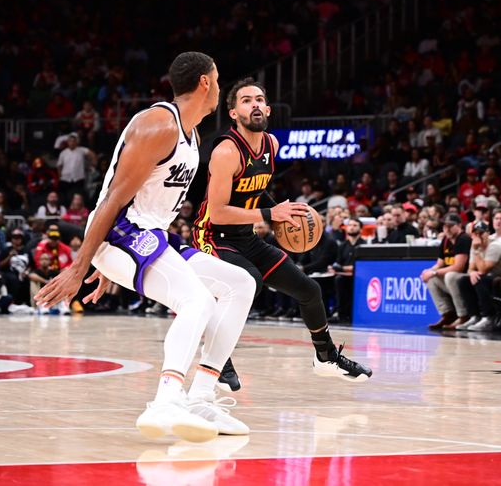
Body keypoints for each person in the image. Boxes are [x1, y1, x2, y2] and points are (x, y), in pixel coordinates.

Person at [34, 52, 257, 442]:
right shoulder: (157, 124)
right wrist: (84, 264)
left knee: (240, 284)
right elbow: (113, 198)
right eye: (218, 80)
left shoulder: (193, 136)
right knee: (199, 302)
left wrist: (110, 264)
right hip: (119, 229)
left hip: (148, 237)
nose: (220, 88)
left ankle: (201, 395)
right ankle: (166, 399)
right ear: (205, 82)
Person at [191, 77, 372, 392]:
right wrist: (268, 215)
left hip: (245, 236)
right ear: (233, 113)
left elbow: (255, 192)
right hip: (212, 236)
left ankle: (326, 356)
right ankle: (217, 360)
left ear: (269, 109)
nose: (255, 105)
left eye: (260, 99)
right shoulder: (226, 151)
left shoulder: (271, 145)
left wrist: (280, 215)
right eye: (246, 100)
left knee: (309, 290)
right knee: (248, 282)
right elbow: (217, 212)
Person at [421, 213, 471, 329]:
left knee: (450, 276)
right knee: (431, 279)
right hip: (454, 279)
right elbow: (439, 264)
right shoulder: (445, 240)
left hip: (467, 278)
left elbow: (458, 267)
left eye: (450, 226)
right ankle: (448, 314)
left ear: (459, 225)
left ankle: (463, 315)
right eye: (445, 226)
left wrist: (434, 272)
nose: (447, 229)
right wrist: (428, 271)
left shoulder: (463, 239)